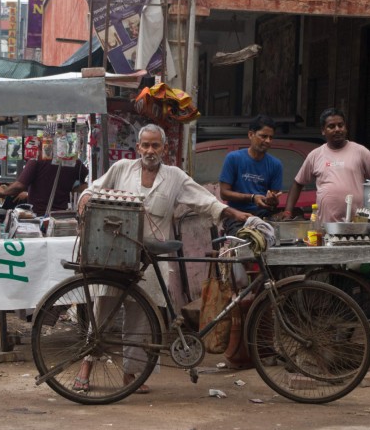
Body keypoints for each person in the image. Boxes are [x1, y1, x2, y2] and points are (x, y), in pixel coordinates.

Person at [73, 124, 251, 393]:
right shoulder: (122, 168)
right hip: (116, 251)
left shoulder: (174, 177)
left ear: (164, 149)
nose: (150, 150)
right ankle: (86, 365)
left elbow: (204, 201)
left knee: (141, 317)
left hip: (152, 256)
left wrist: (232, 213)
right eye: (145, 145)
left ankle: (131, 374)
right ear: (138, 147)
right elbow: (95, 188)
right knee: (103, 310)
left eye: (155, 145)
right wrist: (85, 198)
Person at [282, 108, 370, 224]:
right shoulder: (315, 155)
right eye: (331, 126)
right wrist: (287, 212)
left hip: (356, 225)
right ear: (323, 131)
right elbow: (297, 183)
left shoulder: (360, 152)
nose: (337, 129)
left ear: (345, 128)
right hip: (325, 226)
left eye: (340, 125)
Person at [219, 114, 283, 234]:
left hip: (262, 216)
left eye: (271, 137)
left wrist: (271, 201)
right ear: (250, 135)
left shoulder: (276, 164)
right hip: (236, 215)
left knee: (276, 238)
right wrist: (252, 198)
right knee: (245, 239)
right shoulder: (233, 158)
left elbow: (273, 201)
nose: (268, 141)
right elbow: (224, 193)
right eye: (263, 136)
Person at [0, 157, 89, 216]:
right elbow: (87, 182)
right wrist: (71, 189)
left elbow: (19, 186)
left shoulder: (37, 159)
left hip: (39, 215)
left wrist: (3, 192)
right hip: (62, 215)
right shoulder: (74, 161)